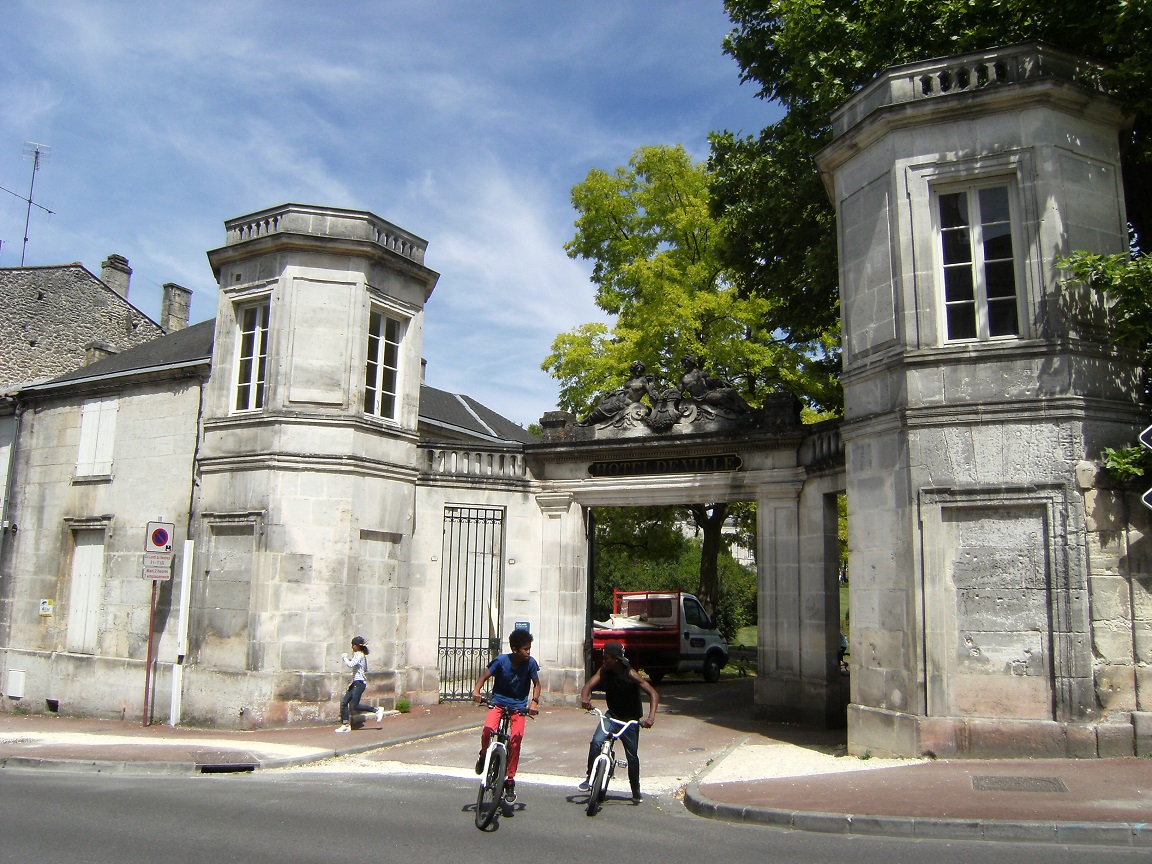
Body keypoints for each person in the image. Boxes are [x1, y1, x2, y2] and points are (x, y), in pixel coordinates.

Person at [579, 640, 659, 803]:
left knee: (632, 757)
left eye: (607, 658)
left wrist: (650, 717)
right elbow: (588, 686)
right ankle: (590, 777)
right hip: (612, 716)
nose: (604, 661)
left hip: (629, 721)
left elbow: (653, 693)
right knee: (596, 742)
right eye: (604, 657)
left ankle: (635, 788)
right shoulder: (604, 671)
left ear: (616, 659)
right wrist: (584, 698)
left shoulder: (631, 674)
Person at [471, 628, 541, 803]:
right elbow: (483, 677)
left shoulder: (531, 663)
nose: (529, 652)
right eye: (525, 649)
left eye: (529, 648)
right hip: (499, 702)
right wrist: (477, 691)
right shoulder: (501, 661)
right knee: (488, 729)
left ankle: (510, 781)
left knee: (516, 739)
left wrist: (534, 702)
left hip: (518, 705)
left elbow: (537, 684)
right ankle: (483, 755)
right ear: (515, 649)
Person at [335, 636, 385, 733]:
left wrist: (344, 658)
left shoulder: (359, 654)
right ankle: (346, 725)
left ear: (357, 646)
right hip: (356, 682)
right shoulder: (361, 656)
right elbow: (364, 669)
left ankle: (377, 710)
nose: (352, 647)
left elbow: (350, 664)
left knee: (355, 705)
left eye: (353, 645)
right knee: (344, 703)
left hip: (359, 683)